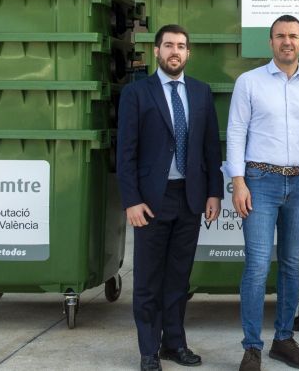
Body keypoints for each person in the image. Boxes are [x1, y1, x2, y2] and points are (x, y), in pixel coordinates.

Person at [227, 14, 299, 371]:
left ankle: (283, 340)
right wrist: (238, 181)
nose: (287, 41)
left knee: (291, 263)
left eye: (293, 36)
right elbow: (236, 132)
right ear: (271, 42)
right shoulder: (249, 82)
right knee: (257, 265)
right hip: (259, 181)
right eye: (281, 36)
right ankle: (252, 347)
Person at [117, 24, 223, 371]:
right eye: (168, 45)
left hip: (190, 198)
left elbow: (210, 147)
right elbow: (125, 152)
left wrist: (213, 192)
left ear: (188, 53)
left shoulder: (200, 92)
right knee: (148, 280)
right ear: (156, 51)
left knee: (178, 278)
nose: (174, 52)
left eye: (180, 46)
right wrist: (131, 200)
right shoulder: (137, 93)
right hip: (151, 201)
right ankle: (149, 350)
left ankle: (174, 343)